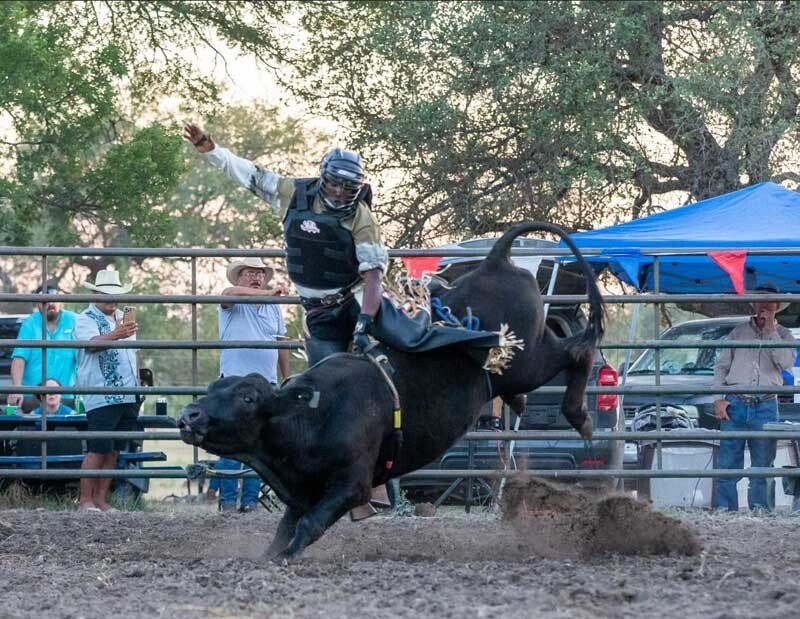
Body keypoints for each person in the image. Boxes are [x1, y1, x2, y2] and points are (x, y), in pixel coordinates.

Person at [184, 123, 387, 366]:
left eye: (347, 188)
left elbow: (374, 274)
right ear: (324, 179)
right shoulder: (292, 194)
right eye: (334, 184)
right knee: (326, 374)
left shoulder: (361, 215)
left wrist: (365, 321)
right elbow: (252, 175)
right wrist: (213, 151)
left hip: (354, 298)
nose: (339, 192)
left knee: (395, 349)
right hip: (318, 310)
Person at [713, 283, 797, 512]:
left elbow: (785, 362)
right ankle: (725, 511)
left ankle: (760, 512)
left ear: (777, 306)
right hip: (735, 403)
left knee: (763, 464)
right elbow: (721, 367)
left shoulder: (784, 335)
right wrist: (718, 398)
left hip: (766, 404)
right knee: (728, 463)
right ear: (754, 304)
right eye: (760, 301)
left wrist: (770, 330)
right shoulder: (737, 333)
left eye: (769, 302)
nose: (764, 306)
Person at [215, 257, 290, 513]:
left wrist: (286, 377)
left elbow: (281, 342)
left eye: (260, 273)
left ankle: (249, 502)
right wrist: (269, 293)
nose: (257, 278)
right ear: (239, 277)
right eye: (250, 273)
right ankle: (227, 502)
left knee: (259, 443)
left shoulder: (273, 308)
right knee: (231, 440)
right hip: (235, 381)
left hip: (265, 382)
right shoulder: (233, 302)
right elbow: (227, 294)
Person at [73, 269, 139, 513]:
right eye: (107, 294)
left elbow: (134, 353)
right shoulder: (85, 319)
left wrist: (139, 382)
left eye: (115, 294)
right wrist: (116, 334)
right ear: (96, 294)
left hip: (128, 391)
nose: (113, 299)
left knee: (113, 450)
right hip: (101, 393)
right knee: (98, 447)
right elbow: (90, 345)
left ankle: (100, 500)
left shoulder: (123, 318)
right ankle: (85, 500)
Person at [8, 284, 77, 413]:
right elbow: (19, 358)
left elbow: (84, 357)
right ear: (37, 304)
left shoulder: (74, 320)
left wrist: (84, 391)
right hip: (34, 397)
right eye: (44, 301)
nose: (50, 303)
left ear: (61, 301)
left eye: (54, 299)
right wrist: (17, 389)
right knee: (32, 425)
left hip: (66, 396)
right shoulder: (30, 323)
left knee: (69, 425)